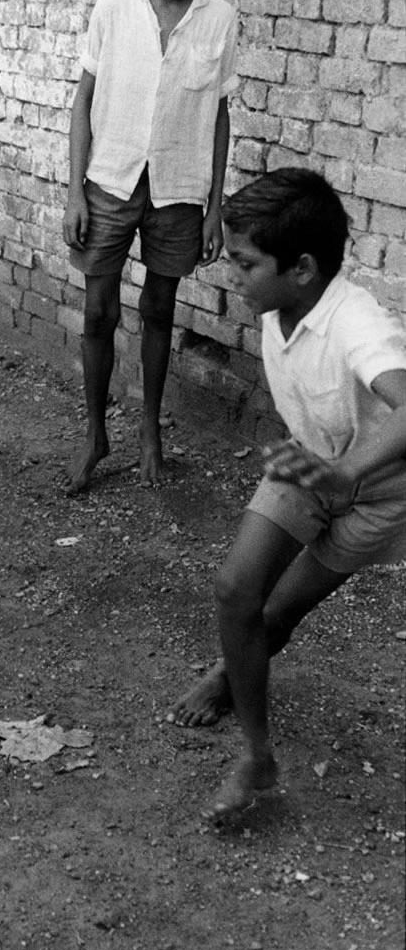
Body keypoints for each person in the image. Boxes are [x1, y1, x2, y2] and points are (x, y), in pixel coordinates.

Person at [167, 168, 406, 819]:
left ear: (300, 268)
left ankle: (228, 672)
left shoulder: (355, 320)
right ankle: (256, 756)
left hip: (377, 494)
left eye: (245, 263)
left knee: (276, 616)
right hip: (308, 467)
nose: (232, 276)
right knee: (235, 591)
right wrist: (326, 467)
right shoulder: (277, 303)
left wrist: (351, 470)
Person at [62, 0, 238, 493]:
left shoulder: (219, 18)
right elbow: (83, 100)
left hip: (180, 188)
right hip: (109, 179)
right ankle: (93, 435)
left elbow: (218, 114)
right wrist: (74, 192)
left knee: (159, 308)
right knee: (97, 311)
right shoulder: (112, 9)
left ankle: (149, 433)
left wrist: (215, 206)